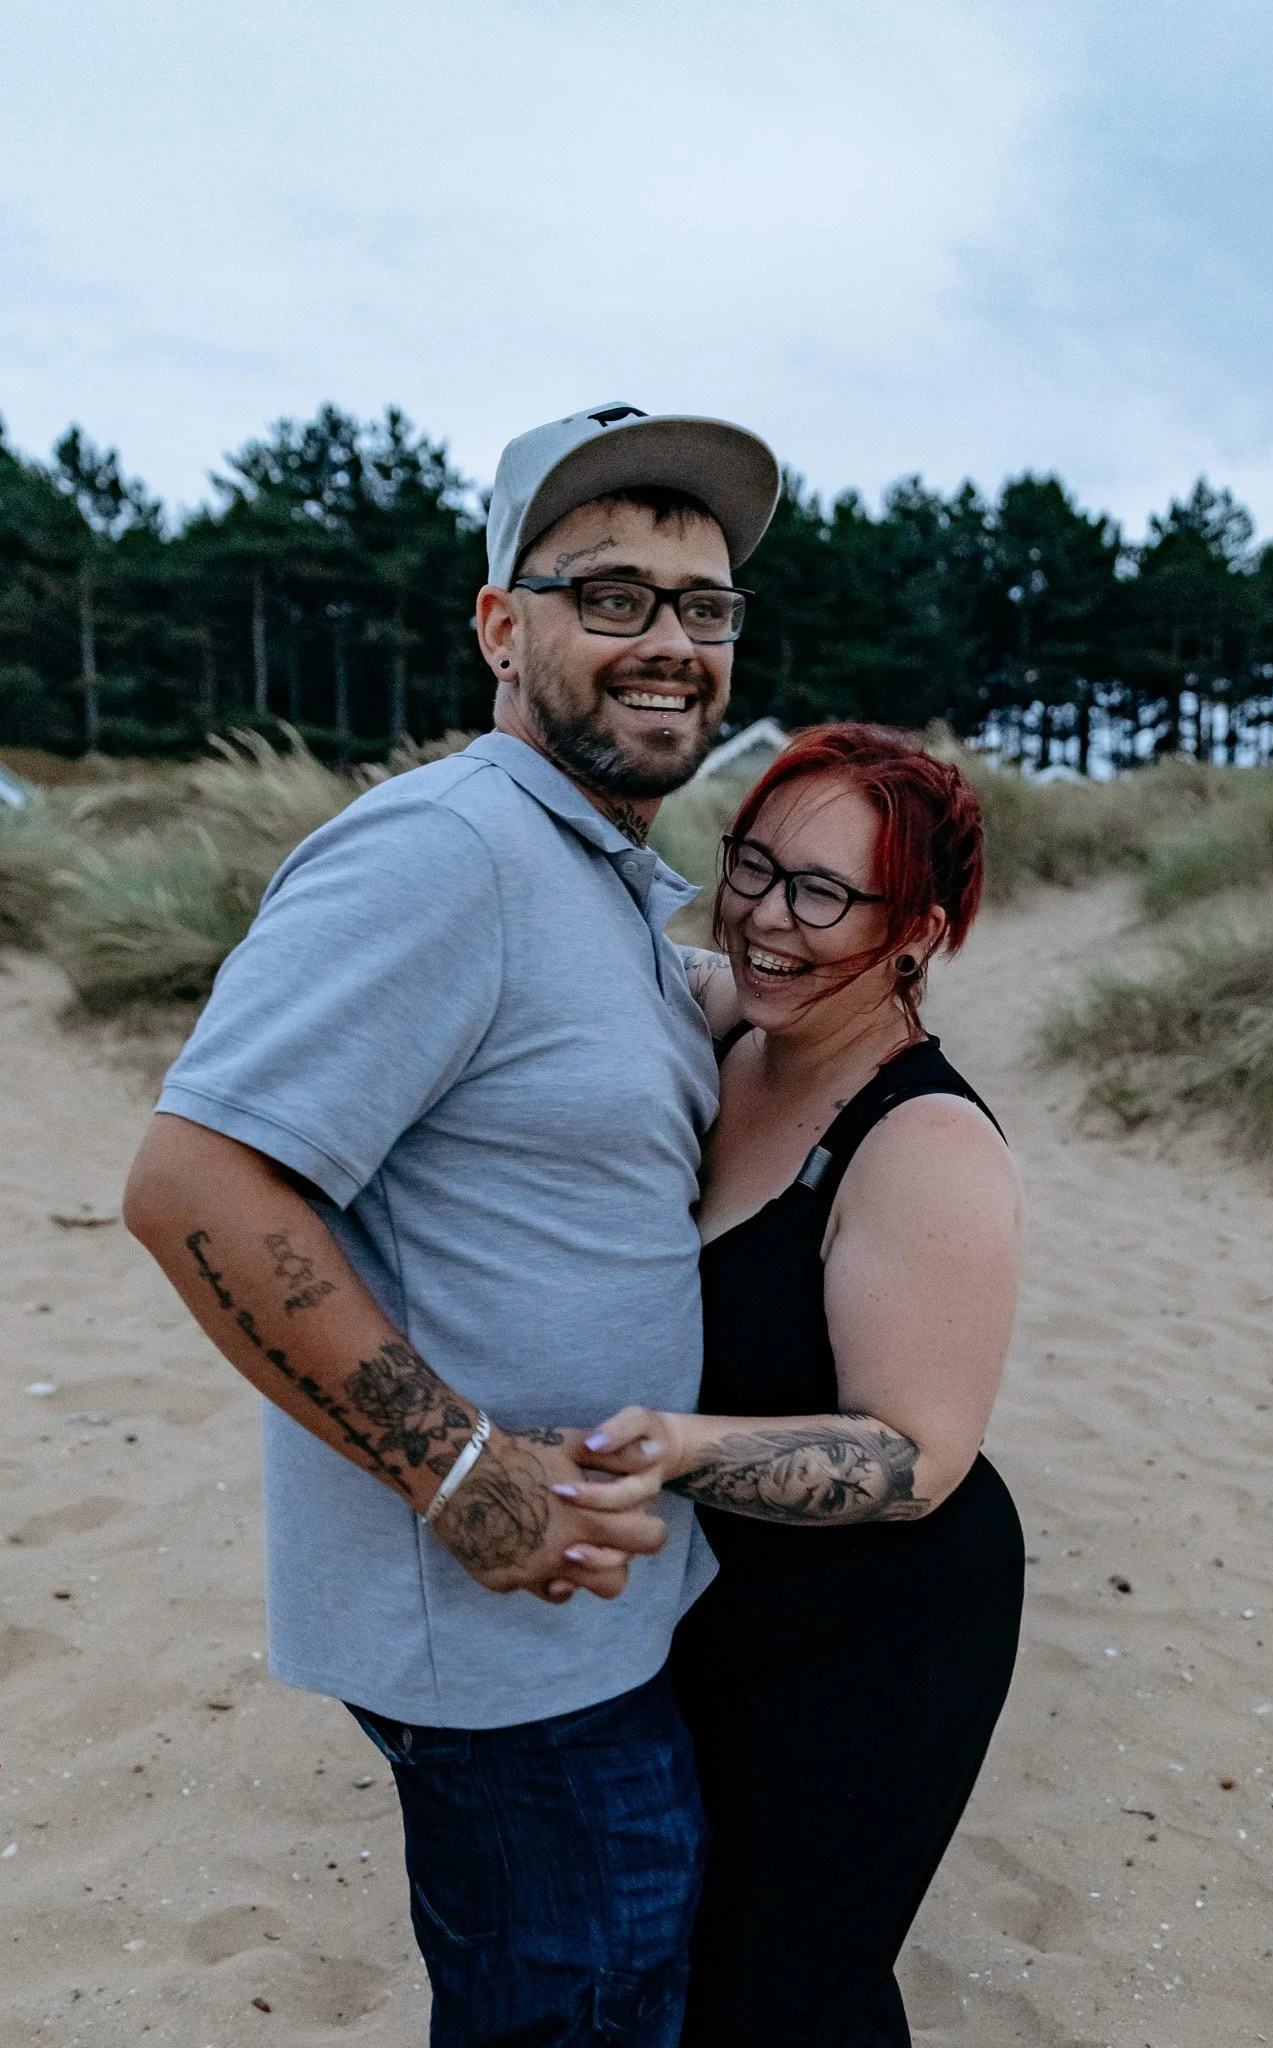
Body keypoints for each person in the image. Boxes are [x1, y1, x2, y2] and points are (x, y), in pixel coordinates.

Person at [122, 400, 780, 2048]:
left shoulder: (600, 876)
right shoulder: (446, 851)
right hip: (497, 1630)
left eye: (703, 607)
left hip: (592, 1618)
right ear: (502, 625)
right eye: (610, 595)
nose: (671, 645)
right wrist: (463, 1476)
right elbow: (197, 1183)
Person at [563, 723, 1026, 2047]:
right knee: (699, 1957)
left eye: (824, 892)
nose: (768, 918)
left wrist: (673, 1449)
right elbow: (586, 954)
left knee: (790, 1990)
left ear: (918, 930)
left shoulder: (923, 1143)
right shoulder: (726, 1024)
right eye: (754, 865)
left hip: (879, 1624)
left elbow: (919, 1454)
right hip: (721, 1604)